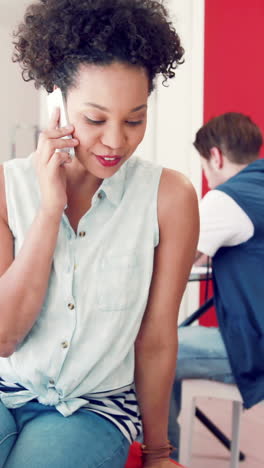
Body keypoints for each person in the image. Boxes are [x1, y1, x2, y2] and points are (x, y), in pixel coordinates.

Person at [0, 1, 199, 467]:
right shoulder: (7, 189)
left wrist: (159, 452)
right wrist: (50, 210)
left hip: (94, 408)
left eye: (135, 119)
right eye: (95, 119)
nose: (116, 141)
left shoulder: (169, 197)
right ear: (57, 99)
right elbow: (4, 337)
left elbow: (155, 338)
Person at [168, 111, 264, 461]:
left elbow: (176, 258)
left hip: (257, 343)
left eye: (205, 165)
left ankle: (163, 457)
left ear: (216, 156)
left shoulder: (226, 199)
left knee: (149, 353)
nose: (207, 175)